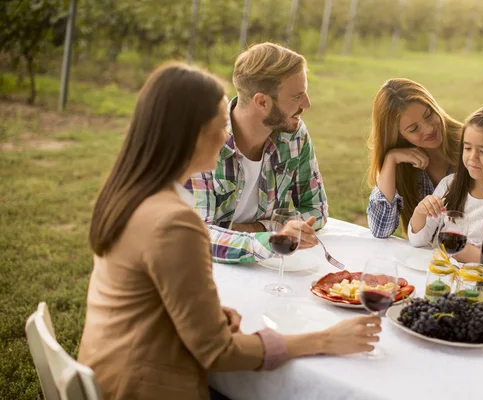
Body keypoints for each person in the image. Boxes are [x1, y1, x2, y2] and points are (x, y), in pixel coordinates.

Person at [79, 62, 381, 400]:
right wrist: (325, 340)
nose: (226, 136)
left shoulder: (131, 195)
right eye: (217, 124)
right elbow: (219, 353)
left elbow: (150, 297)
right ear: (190, 135)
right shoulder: (176, 223)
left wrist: (210, 315)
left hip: (109, 370)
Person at [366, 78, 483, 264]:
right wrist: (391, 159)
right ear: (398, 136)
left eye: (428, 114)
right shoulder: (417, 172)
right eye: (414, 128)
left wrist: (475, 252)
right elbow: (381, 230)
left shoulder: (474, 141)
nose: (429, 128)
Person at [187, 42, 326, 264]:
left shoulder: (294, 135)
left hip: (263, 266)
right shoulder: (202, 141)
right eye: (297, 96)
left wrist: (262, 228)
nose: (306, 104)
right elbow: (197, 236)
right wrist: (270, 239)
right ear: (262, 101)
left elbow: (317, 208)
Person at [408, 104, 483, 272]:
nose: (473, 158)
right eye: (467, 148)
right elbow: (417, 241)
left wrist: (471, 254)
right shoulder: (449, 186)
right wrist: (420, 211)